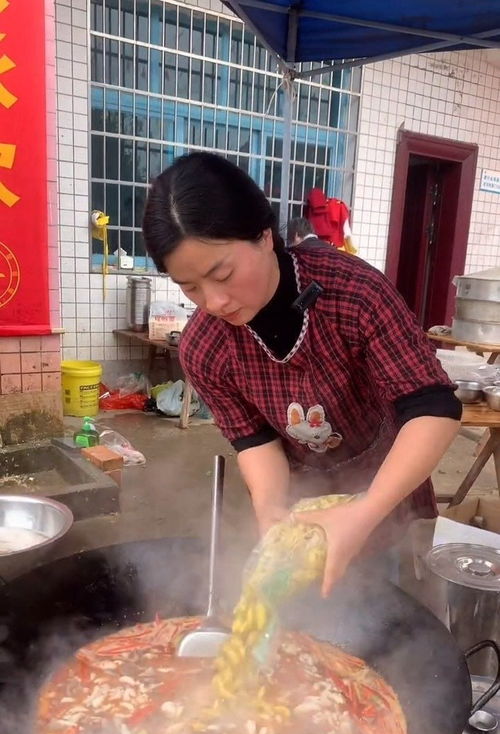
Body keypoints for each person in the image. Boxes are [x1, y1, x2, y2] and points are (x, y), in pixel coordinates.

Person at [143, 152, 462, 596]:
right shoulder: (205, 346)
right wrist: (273, 514)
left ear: (264, 235)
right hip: (304, 493)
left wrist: (365, 510)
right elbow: (255, 442)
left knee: (383, 609)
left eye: (223, 273)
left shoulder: (353, 293)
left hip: (388, 482)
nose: (214, 302)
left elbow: (434, 407)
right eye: (190, 287)